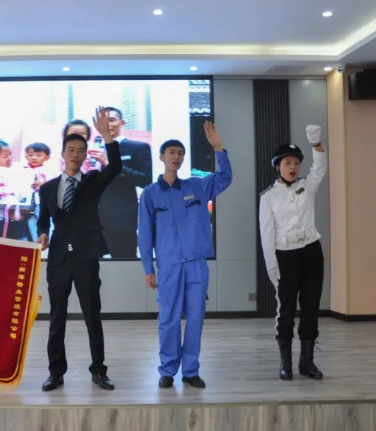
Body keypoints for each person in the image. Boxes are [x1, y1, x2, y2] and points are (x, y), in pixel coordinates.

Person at [137, 122, 232, 389]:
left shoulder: (197, 186)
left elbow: (225, 178)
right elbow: (145, 234)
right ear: (161, 157)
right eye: (171, 152)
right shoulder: (150, 194)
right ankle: (167, 370)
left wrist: (218, 148)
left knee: (195, 318)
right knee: (168, 320)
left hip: (196, 264)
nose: (176, 157)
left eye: (180, 153)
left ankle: (190, 371)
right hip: (169, 266)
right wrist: (148, 268)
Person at [36, 107, 122, 392]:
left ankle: (99, 371)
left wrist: (107, 137)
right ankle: (55, 372)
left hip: (85, 257)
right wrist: (42, 233)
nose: (75, 154)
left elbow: (115, 168)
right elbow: (43, 219)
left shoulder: (92, 181)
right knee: (57, 317)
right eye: (70, 150)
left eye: (80, 151)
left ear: (86, 155)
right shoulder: (48, 188)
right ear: (63, 153)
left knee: (92, 316)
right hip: (59, 259)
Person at [259, 125, 327, 381]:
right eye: (287, 162)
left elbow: (320, 167)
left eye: (297, 163)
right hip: (285, 256)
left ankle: (307, 362)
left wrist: (316, 144)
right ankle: (285, 362)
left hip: (311, 252)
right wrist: (272, 265)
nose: (293, 167)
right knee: (286, 309)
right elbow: (266, 233)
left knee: (310, 307)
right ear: (277, 166)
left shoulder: (307, 186)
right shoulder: (268, 197)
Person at [89, 107, 152, 259]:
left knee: (125, 262)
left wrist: (110, 163)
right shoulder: (91, 149)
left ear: (122, 123)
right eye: (103, 121)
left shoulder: (138, 147)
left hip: (121, 219)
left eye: (112, 120)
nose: (107, 125)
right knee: (93, 266)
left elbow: (145, 179)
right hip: (93, 219)